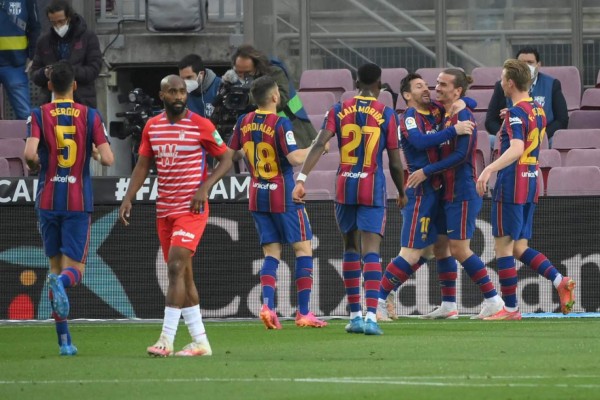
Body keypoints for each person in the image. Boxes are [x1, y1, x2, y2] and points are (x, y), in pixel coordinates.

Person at [119, 75, 234, 356]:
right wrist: (128, 197)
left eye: (182, 91)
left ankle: (166, 339)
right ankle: (200, 342)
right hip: (165, 209)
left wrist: (204, 188)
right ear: (162, 96)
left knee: (173, 267)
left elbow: (228, 157)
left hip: (191, 209)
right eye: (172, 91)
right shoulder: (152, 126)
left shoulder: (201, 125)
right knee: (184, 275)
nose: (179, 96)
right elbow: (143, 164)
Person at [292, 63, 406, 336]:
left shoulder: (338, 109)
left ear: (356, 82)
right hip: (371, 186)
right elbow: (394, 161)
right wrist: (402, 192)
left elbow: (319, 143)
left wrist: (302, 179)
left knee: (350, 248)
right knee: (372, 251)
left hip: (344, 185)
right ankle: (370, 317)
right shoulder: (386, 114)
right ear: (379, 85)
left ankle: (354, 315)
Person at [23, 60, 114, 356]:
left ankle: (64, 342)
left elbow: (28, 154)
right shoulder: (89, 115)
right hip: (77, 201)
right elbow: (109, 159)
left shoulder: (38, 114)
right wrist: (96, 155)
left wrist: (37, 162)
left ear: (49, 86)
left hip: (48, 200)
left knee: (53, 267)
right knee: (73, 271)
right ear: (75, 85)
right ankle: (63, 283)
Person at [477, 59, 576, 320]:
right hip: (532, 181)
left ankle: (510, 309)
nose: (500, 82)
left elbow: (517, 147)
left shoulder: (515, 113)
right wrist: (510, 120)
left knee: (503, 249)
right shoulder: (537, 109)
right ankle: (559, 280)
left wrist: (489, 169)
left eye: (502, 78)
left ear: (510, 82)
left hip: (512, 184)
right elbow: (534, 135)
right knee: (519, 247)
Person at [374, 73, 475, 321]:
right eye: (419, 87)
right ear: (407, 95)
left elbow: (465, 102)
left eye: (427, 85)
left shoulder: (436, 111)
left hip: (438, 191)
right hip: (420, 193)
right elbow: (419, 142)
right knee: (411, 252)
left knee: (440, 248)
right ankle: (377, 299)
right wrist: (453, 130)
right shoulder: (409, 117)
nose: (427, 89)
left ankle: (449, 305)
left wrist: (463, 105)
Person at [404, 69, 504, 320]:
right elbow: (469, 101)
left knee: (459, 249)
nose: (436, 88)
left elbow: (460, 156)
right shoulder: (446, 112)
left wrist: (427, 171)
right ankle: (448, 305)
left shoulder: (464, 117)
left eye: (442, 84)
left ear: (456, 90)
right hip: (446, 192)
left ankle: (494, 300)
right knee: (440, 247)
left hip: (462, 191)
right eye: (436, 83)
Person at [228, 75, 327, 329]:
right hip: (283, 193)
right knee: (302, 249)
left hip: (256, 193)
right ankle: (304, 312)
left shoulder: (243, 121)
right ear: (274, 97)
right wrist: (317, 146)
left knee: (271, 254)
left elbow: (233, 154)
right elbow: (294, 158)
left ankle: (268, 306)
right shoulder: (280, 123)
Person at [212, 44, 317, 148]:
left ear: (257, 66)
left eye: (247, 72)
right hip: (256, 130)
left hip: (290, 128)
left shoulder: (275, 73)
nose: (243, 76)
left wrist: (249, 98)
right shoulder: (232, 80)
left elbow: (281, 99)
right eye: (239, 72)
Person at [485, 47, 568, 146]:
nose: (526, 66)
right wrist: (508, 134)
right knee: (489, 140)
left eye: (530, 62)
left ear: (538, 65)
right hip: (511, 137)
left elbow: (562, 120)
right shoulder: (503, 85)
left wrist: (542, 136)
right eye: (522, 63)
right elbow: (490, 121)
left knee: (556, 141)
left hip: (543, 137)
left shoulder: (552, 84)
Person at [30, 0, 102, 108]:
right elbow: (34, 74)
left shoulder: (87, 37)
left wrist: (67, 71)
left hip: (82, 100)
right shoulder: (43, 41)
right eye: (53, 22)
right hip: (51, 103)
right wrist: (45, 72)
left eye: (61, 21)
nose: (58, 26)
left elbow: (94, 69)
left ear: (69, 17)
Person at [0, 0, 40, 120]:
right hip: (15, 64)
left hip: (15, 63)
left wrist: (33, 55)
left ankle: (30, 139)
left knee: (24, 115)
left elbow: (35, 27)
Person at [178, 53, 221, 119]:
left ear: (201, 74)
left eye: (189, 77)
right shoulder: (180, 92)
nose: (185, 82)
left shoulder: (220, 87)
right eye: (182, 78)